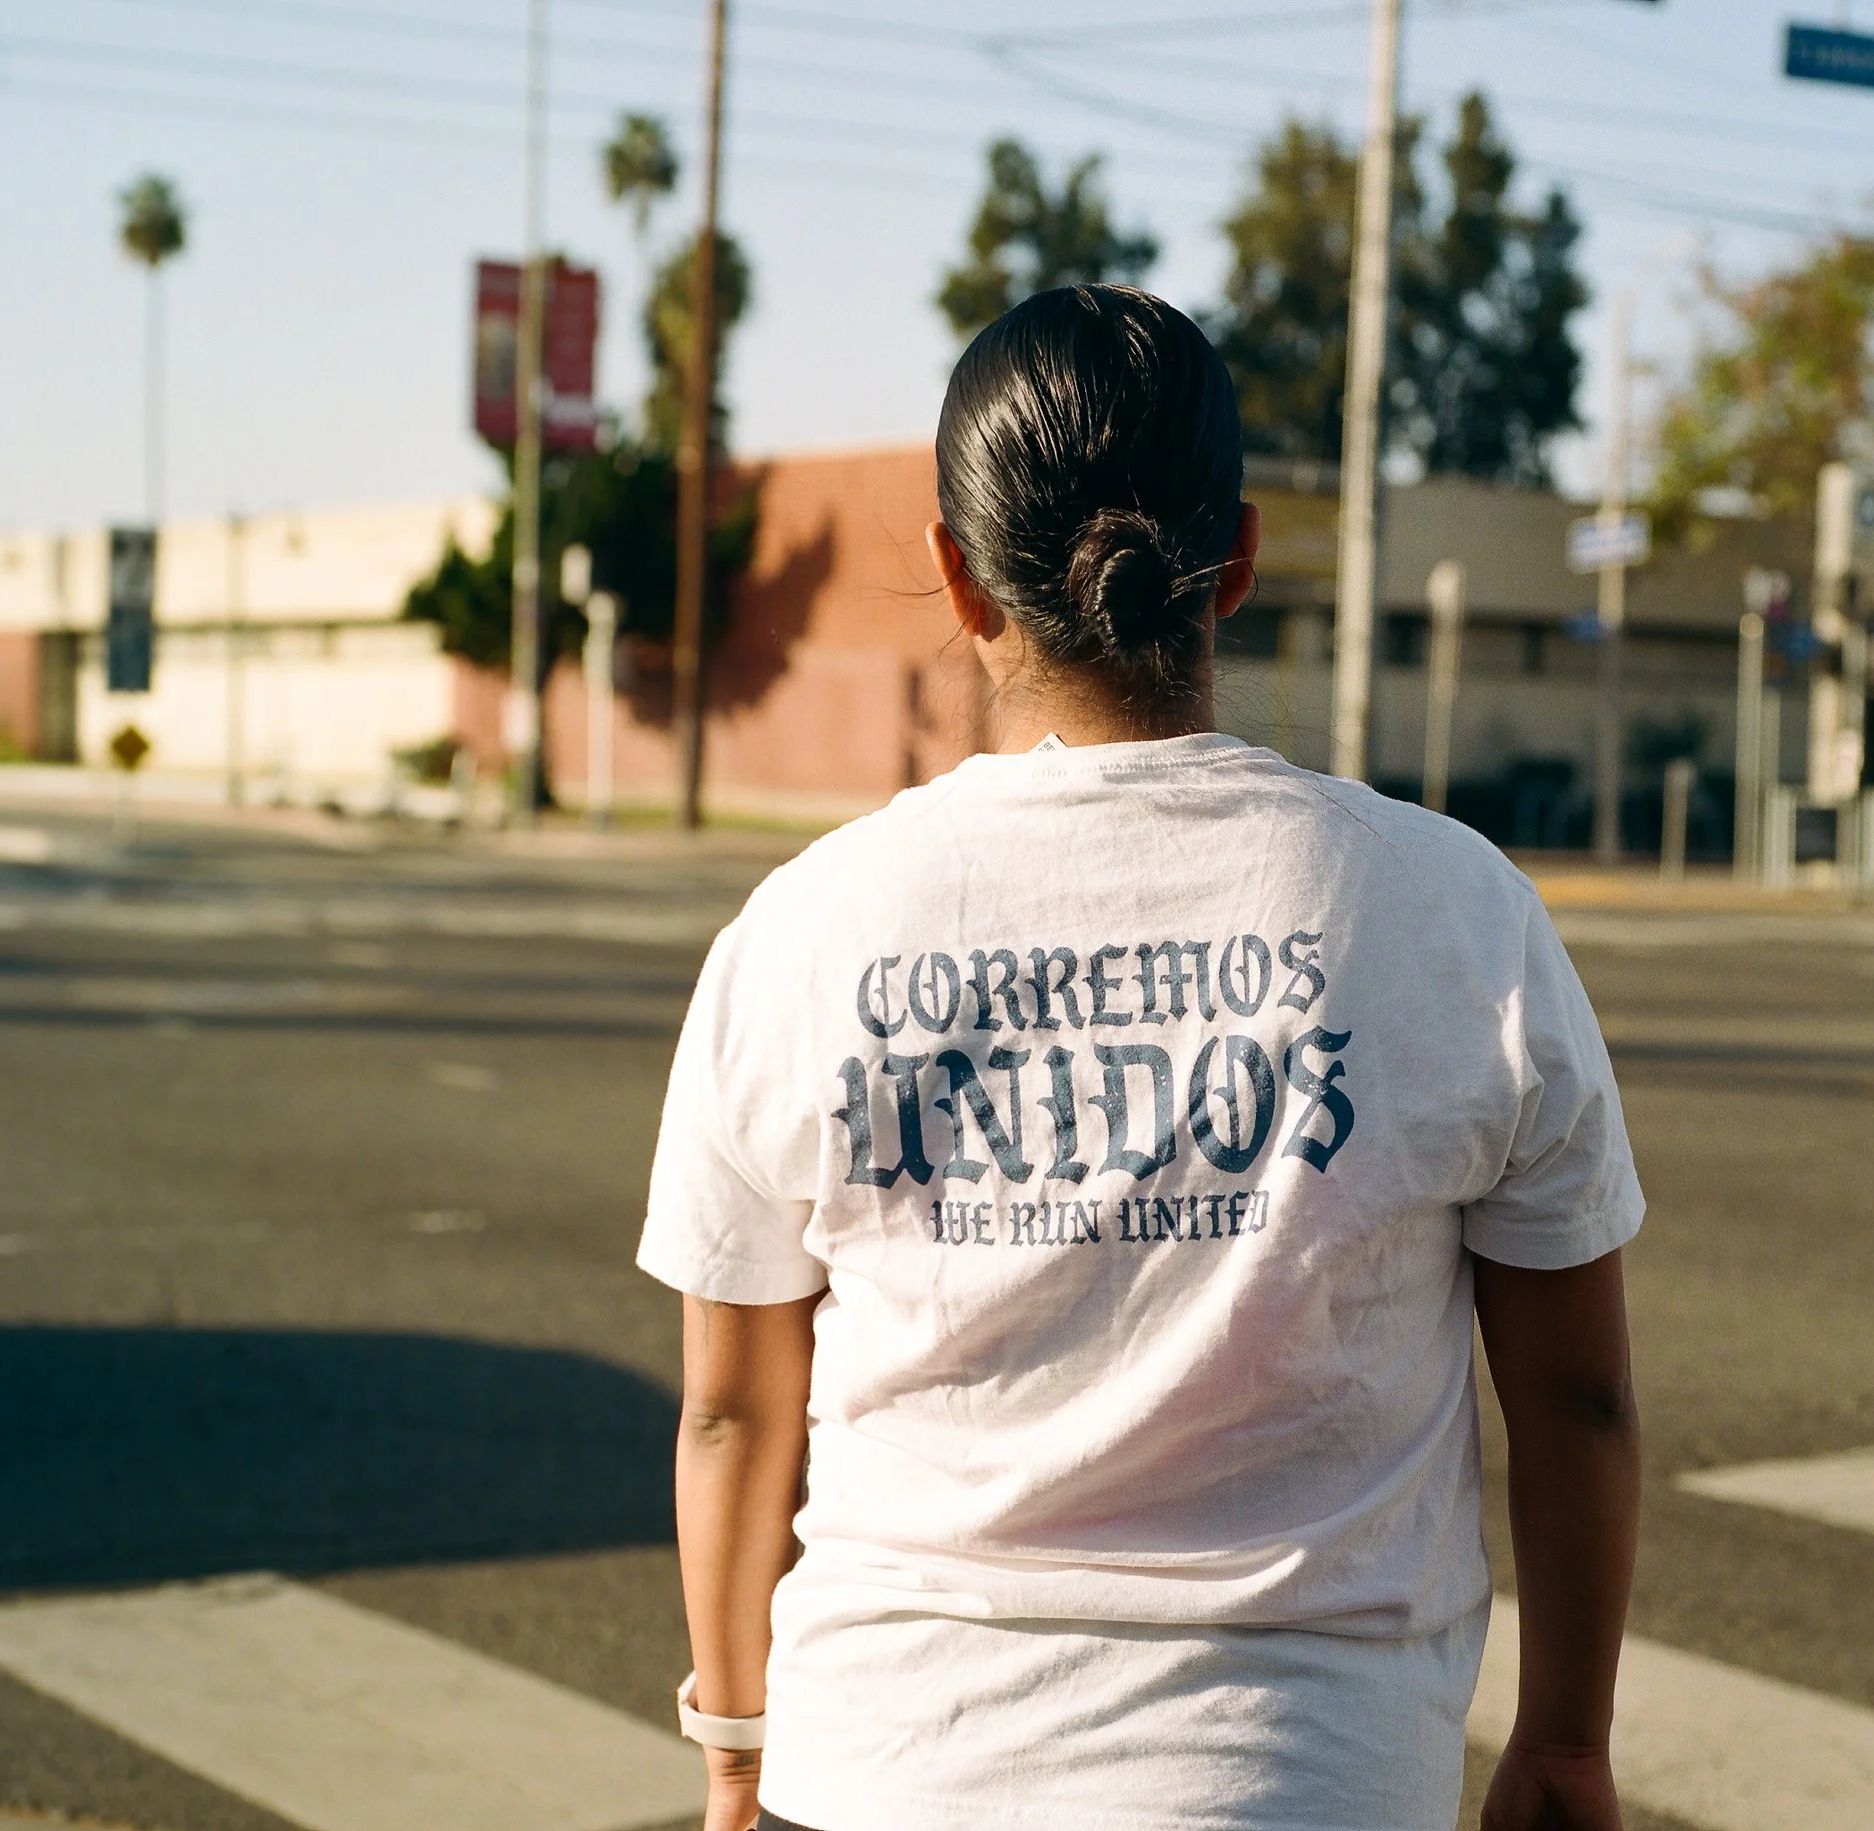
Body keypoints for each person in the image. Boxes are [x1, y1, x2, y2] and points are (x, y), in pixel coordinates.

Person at [638, 284, 1643, 1831]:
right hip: (1302, 1779)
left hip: (882, 1771)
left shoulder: (799, 931)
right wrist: (1566, 1742)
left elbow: (729, 1414)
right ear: (1235, 560)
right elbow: (1575, 1403)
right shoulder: (1456, 911)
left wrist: (738, 1751)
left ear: (958, 579)